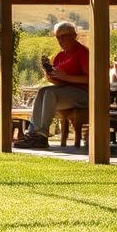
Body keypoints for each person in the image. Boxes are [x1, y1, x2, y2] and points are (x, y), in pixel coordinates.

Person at [13, 21, 89, 149]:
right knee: (43, 91)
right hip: (66, 92)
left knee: (49, 92)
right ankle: (33, 134)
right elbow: (61, 82)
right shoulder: (59, 56)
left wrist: (66, 77)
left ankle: (41, 135)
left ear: (73, 35)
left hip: (84, 94)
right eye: (58, 37)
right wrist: (51, 77)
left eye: (63, 36)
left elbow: (91, 79)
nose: (60, 40)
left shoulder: (82, 52)